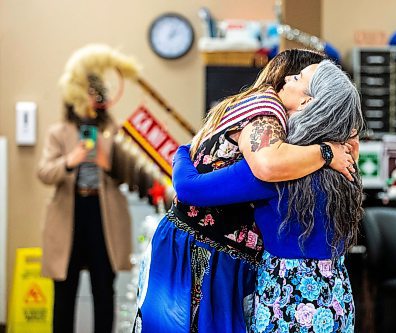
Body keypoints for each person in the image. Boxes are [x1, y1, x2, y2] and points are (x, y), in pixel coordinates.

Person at [133, 49, 356, 333]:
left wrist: (183, 151)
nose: (286, 79)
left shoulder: (281, 169)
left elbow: (190, 189)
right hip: (335, 298)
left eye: (297, 77)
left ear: (306, 102)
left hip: (288, 300)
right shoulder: (345, 165)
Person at [37, 74, 132, 333]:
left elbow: (131, 174)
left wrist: (108, 163)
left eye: (93, 92)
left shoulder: (113, 130)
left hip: (103, 217)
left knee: (104, 288)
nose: (89, 98)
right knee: (64, 291)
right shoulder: (59, 132)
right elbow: (44, 172)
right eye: (83, 92)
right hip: (69, 214)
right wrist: (70, 160)